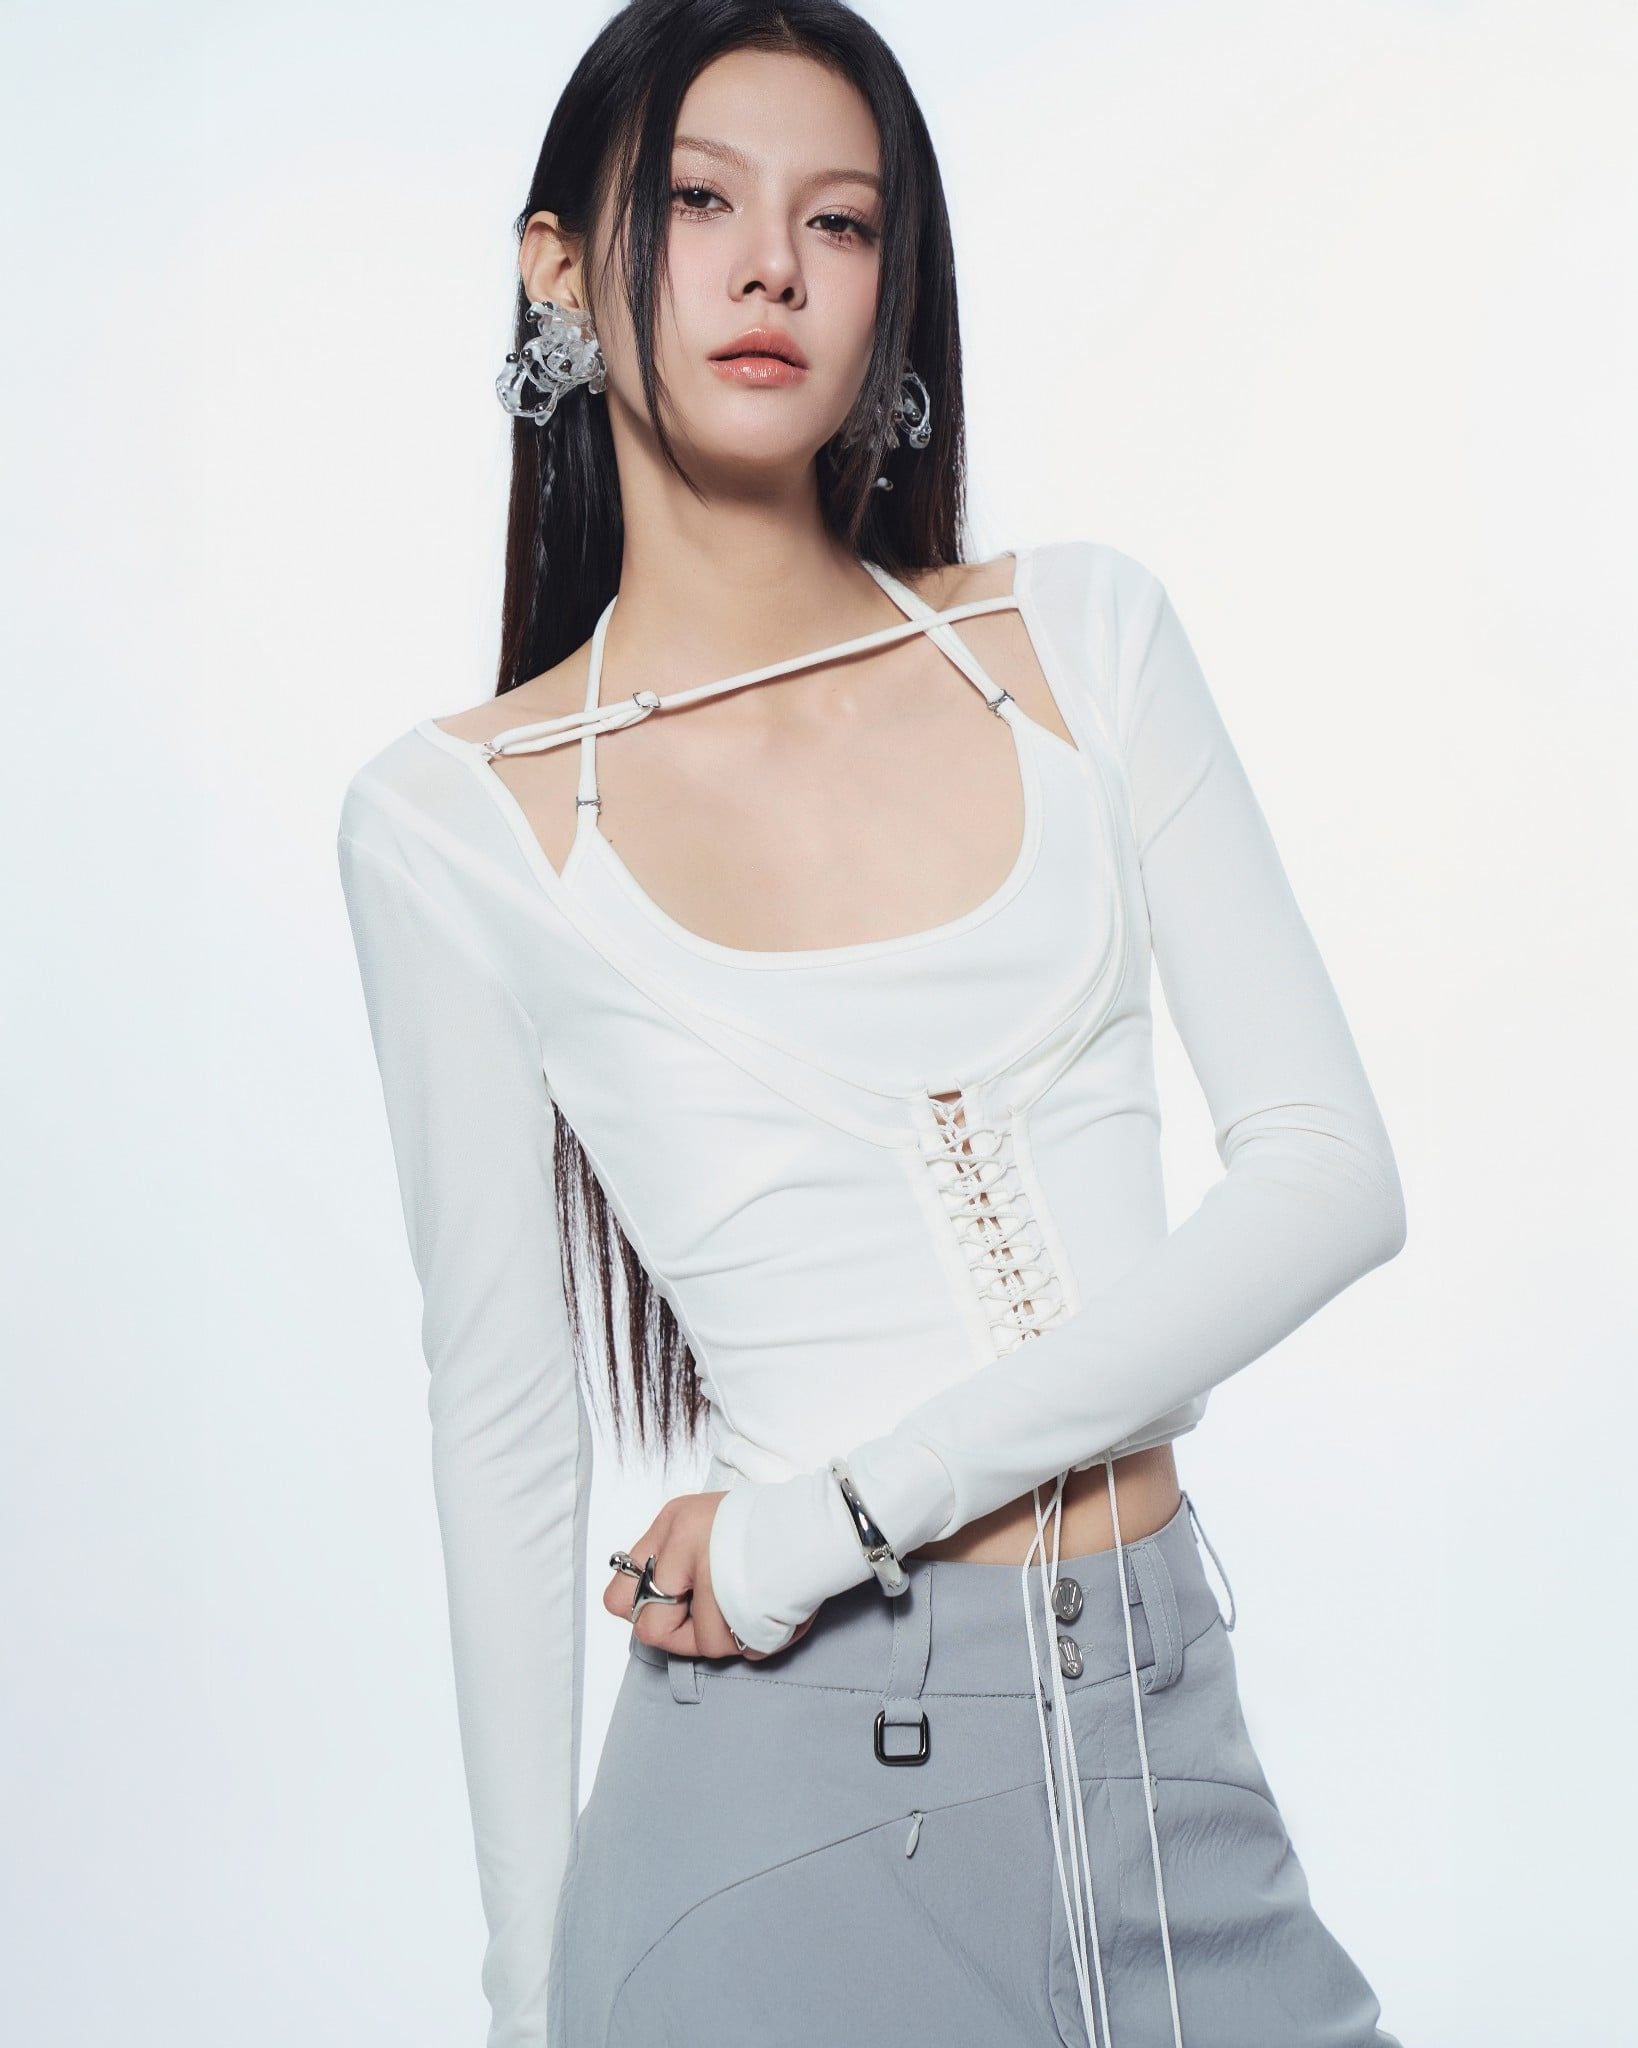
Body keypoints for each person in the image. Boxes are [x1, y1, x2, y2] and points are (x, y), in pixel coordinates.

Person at [336, 4, 1409, 2044]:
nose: (770, 268)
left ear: (891, 288)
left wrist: (837, 1512)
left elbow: (1332, 1180)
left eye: (839, 222)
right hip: (774, 1807)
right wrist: (526, 1988)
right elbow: (506, 1426)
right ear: (558, 266)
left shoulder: (1075, 638)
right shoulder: (452, 824)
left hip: (1160, 1738)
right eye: (698, 203)